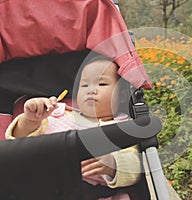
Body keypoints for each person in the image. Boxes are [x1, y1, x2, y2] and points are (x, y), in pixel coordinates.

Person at [5, 54, 141, 200]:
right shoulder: (57, 115)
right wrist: (31, 119)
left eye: (101, 84)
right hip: (42, 184)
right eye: (84, 85)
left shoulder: (122, 128)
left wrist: (112, 164)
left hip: (90, 192)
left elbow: (136, 166)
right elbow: (19, 143)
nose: (91, 90)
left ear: (121, 95)